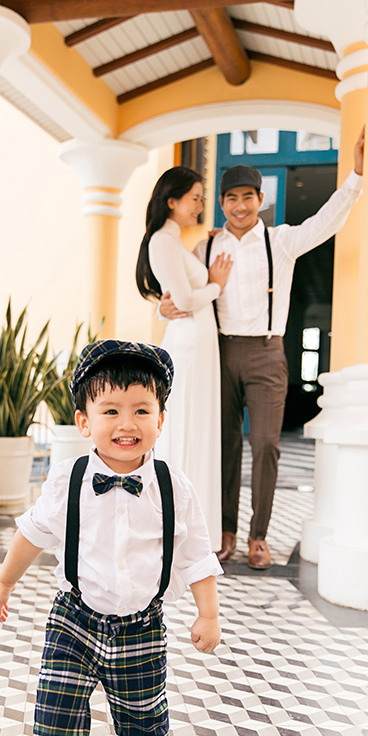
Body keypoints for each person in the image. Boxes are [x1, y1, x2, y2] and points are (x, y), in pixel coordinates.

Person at [0, 340, 222, 736]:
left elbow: (196, 555)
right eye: (110, 410)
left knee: (143, 717)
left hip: (142, 625)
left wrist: (208, 613)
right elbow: (31, 533)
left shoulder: (173, 486)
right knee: (56, 713)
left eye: (142, 410)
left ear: (161, 419)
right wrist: (5, 582)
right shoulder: (67, 478)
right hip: (74, 618)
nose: (127, 423)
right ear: (84, 421)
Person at [160, 129, 365, 569]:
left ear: (260, 199)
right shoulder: (205, 246)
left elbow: (325, 222)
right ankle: (225, 532)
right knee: (225, 444)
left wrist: (356, 177)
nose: (240, 206)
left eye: (247, 197)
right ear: (221, 203)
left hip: (268, 353)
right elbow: (179, 288)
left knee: (267, 443)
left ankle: (259, 536)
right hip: (219, 353)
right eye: (231, 198)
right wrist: (164, 305)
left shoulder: (282, 241)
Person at [136, 167, 232, 552]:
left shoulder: (176, 242)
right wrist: (216, 285)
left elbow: (180, 298)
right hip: (188, 344)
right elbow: (185, 299)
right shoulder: (162, 241)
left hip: (199, 341)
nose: (200, 206)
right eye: (194, 198)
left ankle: (193, 525)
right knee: (185, 425)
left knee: (197, 424)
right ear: (172, 201)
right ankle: (175, 525)